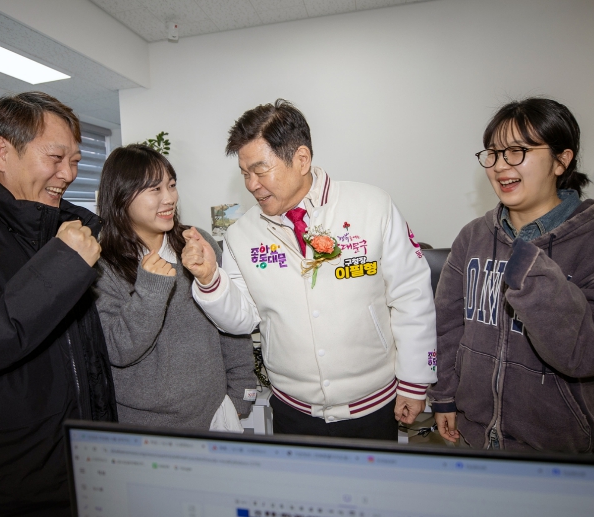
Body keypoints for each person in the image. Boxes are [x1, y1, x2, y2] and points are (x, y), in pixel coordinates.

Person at [181, 99, 437, 440]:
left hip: (374, 405)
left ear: (301, 159)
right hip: (293, 411)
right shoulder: (242, 235)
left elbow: (411, 295)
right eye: (244, 173)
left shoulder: (371, 207)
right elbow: (242, 319)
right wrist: (209, 280)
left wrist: (415, 381)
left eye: (260, 169)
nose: (251, 184)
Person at [0, 92, 117, 515]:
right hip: (0, 492)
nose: (68, 174)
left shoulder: (67, 229)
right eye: (56, 158)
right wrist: (62, 266)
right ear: (3, 152)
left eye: (75, 160)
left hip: (83, 475)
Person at [428, 97, 594, 453]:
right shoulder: (473, 237)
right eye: (493, 153)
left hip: (564, 449)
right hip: (474, 438)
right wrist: (444, 395)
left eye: (517, 151)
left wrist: (534, 273)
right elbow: (448, 326)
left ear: (561, 160)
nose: (500, 165)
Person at [93, 144, 255, 431]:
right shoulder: (102, 265)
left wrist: (242, 392)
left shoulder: (195, 243)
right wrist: (151, 290)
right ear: (121, 196)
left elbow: (230, 320)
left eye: (171, 185)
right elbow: (118, 350)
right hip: (144, 427)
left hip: (215, 414)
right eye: (154, 189)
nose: (169, 198)